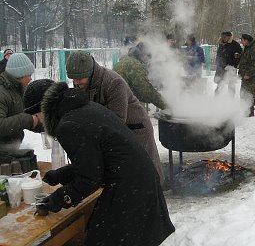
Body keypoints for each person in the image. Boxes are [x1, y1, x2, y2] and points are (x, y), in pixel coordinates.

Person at [23, 80, 175, 246]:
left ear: (44, 108)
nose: (38, 122)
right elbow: (94, 160)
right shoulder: (83, 108)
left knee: (103, 240)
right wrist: (62, 174)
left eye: (36, 116)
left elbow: (89, 179)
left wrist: (58, 199)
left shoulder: (68, 125)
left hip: (129, 187)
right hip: (138, 179)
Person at [66, 52, 165, 184]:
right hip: (114, 129)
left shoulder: (113, 82)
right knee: (128, 176)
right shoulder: (82, 82)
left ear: (90, 72)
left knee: (146, 169)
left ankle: (155, 193)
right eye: (73, 79)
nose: (76, 83)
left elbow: (117, 120)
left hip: (136, 128)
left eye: (79, 79)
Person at [0, 53, 39, 151]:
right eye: (28, 75)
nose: (31, 79)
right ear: (19, 75)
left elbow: (22, 114)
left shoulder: (18, 89)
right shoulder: (2, 93)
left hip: (10, 149)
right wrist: (28, 120)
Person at [113, 43, 166, 109]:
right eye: (148, 56)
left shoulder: (127, 60)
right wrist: (165, 105)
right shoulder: (134, 65)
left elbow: (136, 90)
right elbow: (146, 90)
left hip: (116, 99)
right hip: (120, 103)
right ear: (143, 54)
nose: (148, 60)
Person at [238, 34, 255, 117]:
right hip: (244, 75)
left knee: (249, 94)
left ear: (246, 40)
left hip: (250, 77)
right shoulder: (247, 48)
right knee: (243, 93)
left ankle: (250, 111)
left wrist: (248, 74)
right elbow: (246, 60)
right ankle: (244, 109)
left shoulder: (254, 49)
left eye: (242, 40)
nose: (241, 42)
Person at [214, 31, 243, 96]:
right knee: (219, 84)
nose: (223, 38)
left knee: (231, 85)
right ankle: (216, 98)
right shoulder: (221, 44)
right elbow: (219, 55)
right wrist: (217, 62)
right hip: (221, 67)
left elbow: (240, 56)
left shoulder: (235, 45)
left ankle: (231, 99)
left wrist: (233, 64)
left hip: (231, 68)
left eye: (225, 37)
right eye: (222, 37)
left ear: (229, 37)